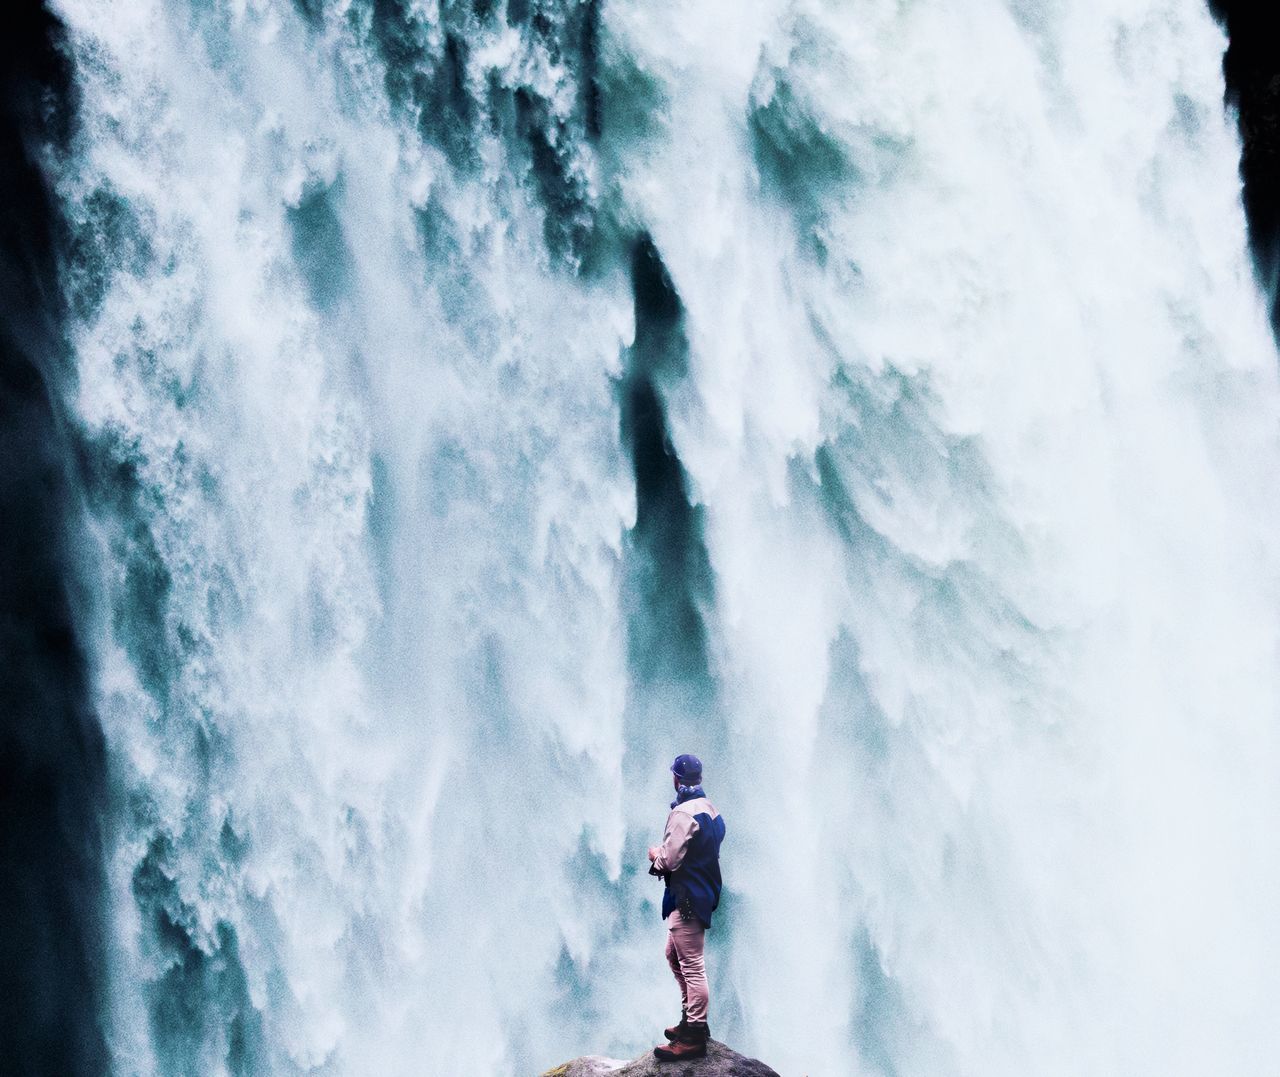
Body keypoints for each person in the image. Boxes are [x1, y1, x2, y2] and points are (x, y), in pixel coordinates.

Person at [647, 753, 726, 1062]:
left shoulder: (682, 813)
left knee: (692, 966)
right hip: (702, 890)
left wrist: (655, 855)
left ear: (677, 779)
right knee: (673, 954)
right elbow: (707, 846)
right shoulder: (711, 809)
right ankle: (689, 1019)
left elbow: (669, 860)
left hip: (687, 897)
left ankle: (694, 1035)